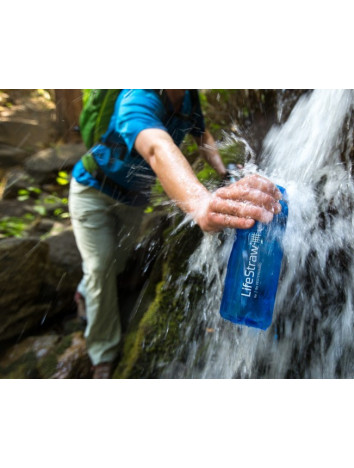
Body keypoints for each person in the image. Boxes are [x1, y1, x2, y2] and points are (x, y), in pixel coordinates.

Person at [69, 89, 282, 378]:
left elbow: (202, 134)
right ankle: (103, 355)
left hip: (132, 201)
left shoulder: (187, 98)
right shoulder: (136, 98)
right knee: (100, 265)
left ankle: (85, 292)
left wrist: (223, 169)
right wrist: (200, 202)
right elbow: (157, 147)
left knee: (113, 263)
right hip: (92, 192)